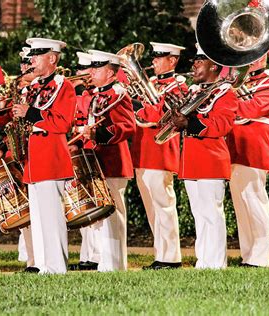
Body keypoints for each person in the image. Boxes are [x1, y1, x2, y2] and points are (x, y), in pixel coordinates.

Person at [12, 37, 76, 274]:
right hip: (33, 159)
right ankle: (40, 263)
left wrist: (31, 114)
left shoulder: (64, 86)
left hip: (51, 157)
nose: (32, 60)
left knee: (52, 217)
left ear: (52, 58)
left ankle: (56, 266)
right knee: (38, 219)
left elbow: (63, 122)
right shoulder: (34, 87)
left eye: (38, 55)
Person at [170, 44, 237, 269]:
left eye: (200, 61)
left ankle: (217, 263)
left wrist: (189, 122)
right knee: (199, 214)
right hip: (191, 159)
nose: (194, 65)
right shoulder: (194, 91)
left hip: (211, 160)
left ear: (214, 66)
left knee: (212, 214)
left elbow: (223, 124)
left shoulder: (225, 92)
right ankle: (204, 262)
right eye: (195, 61)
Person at [131, 42, 187, 270]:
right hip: (143, 150)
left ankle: (171, 257)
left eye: (159, 56)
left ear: (172, 60)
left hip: (161, 150)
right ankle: (160, 255)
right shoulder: (152, 84)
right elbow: (143, 111)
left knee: (164, 204)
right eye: (153, 56)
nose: (153, 60)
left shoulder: (178, 86)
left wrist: (140, 109)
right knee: (152, 207)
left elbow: (161, 115)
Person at [80, 49, 136, 271]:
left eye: (97, 68)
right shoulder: (97, 94)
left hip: (113, 160)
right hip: (98, 159)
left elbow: (127, 126)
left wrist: (98, 134)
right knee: (101, 215)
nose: (91, 71)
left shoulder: (118, 94)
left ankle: (115, 264)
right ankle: (104, 261)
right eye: (92, 67)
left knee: (113, 214)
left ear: (112, 73)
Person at [226, 54, 269, 267]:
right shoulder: (242, 81)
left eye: (256, 55)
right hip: (235, 148)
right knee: (241, 204)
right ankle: (248, 255)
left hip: (254, 149)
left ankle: (259, 258)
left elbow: (254, 108)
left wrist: (229, 104)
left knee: (255, 202)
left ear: (264, 57)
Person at [0, 47, 38, 272]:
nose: (23, 68)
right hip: (18, 153)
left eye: (28, 63)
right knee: (25, 210)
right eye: (22, 63)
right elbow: (5, 124)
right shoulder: (22, 91)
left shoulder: (41, 90)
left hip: (36, 152)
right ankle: (32, 259)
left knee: (38, 211)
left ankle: (39, 259)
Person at [68, 51, 101, 271]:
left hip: (94, 151)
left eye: (83, 71)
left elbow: (88, 114)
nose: (79, 74)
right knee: (83, 208)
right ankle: (87, 255)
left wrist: (80, 89)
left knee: (95, 210)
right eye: (78, 71)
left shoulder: (93, 94)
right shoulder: (82, 93)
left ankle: (96, 256)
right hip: (81, 150)